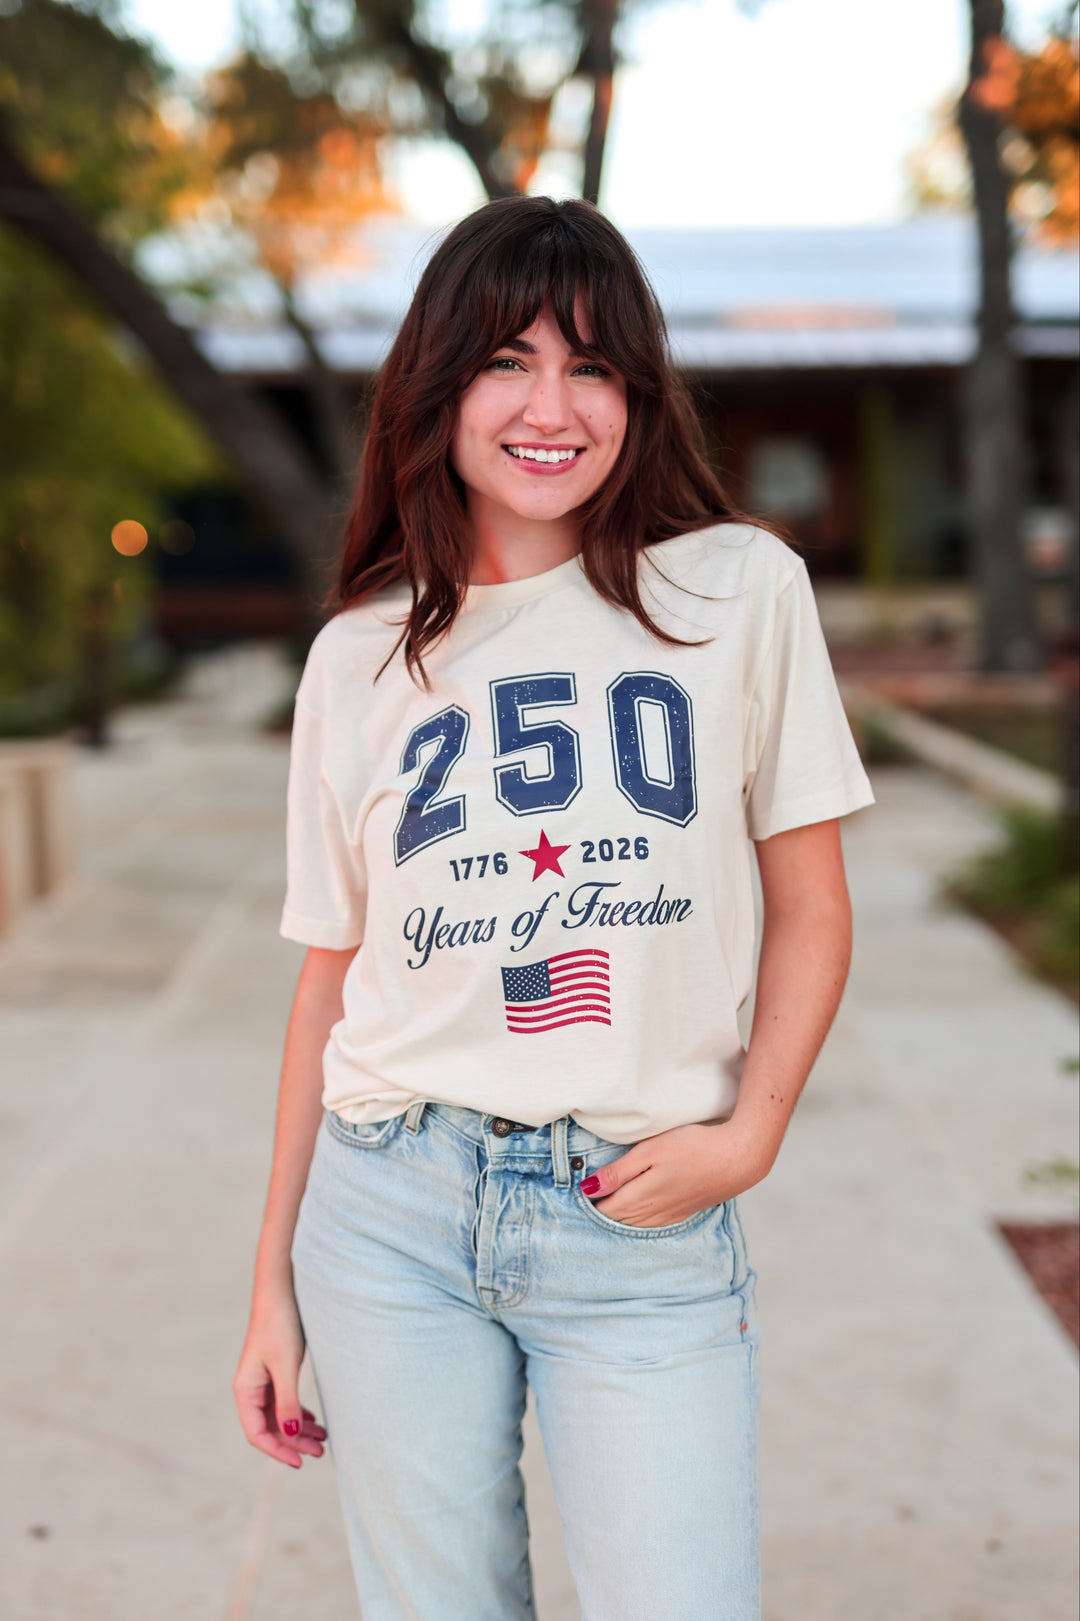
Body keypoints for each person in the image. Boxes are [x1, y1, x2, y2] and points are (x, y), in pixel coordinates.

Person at [233, 195, 874, 1621]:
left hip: (637, 1211)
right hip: (391, 1207)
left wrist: (752, 1130)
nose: (552, 405)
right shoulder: (360, 657)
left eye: (593, 366)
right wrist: (270, 1283)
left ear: (639, 397)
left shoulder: (735, 592)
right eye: (508, 360)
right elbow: (331, 983)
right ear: (439, 384)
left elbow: (814, 909)